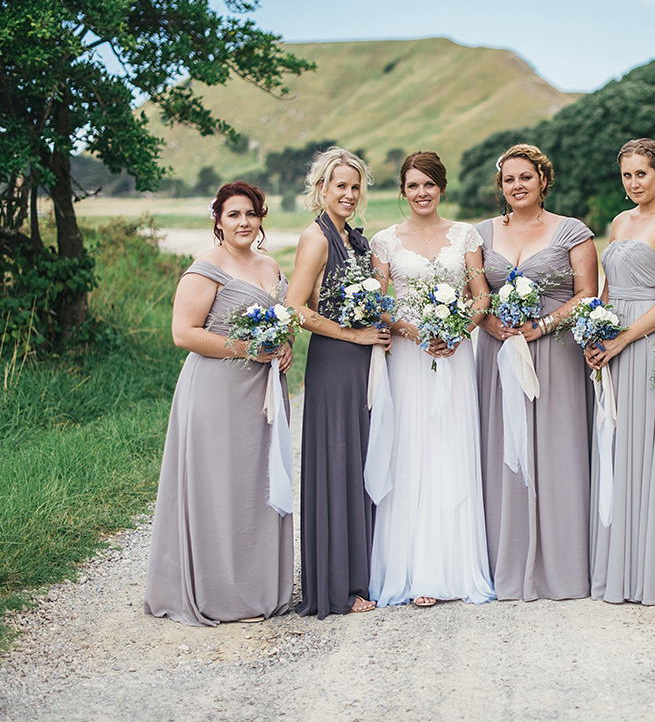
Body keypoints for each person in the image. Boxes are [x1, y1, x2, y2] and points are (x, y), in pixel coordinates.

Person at [144, 180, 295, 626]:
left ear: (260, 218)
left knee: (257, 483)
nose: (244, 222)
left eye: (250, 213)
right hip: (217, 390)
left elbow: (282, 320)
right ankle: (216, 591)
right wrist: (249, 350)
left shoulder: (269, 265)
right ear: (218, 220)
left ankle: (257, 587)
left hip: (264, 391)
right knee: (219, 486)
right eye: (234, 215)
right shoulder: (206, 267)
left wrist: (285, 344)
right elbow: (184, 334)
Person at [367, 151, 495, 607]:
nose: (421, 193)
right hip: (406, 356)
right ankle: (412, 571)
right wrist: (412, 331)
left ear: (442, 188)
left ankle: (452, 570)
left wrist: (457, 332)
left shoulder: (465, 235)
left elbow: (481, 297)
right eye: (412, 185)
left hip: (454, 357)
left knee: (449, 448)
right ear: (402, 191)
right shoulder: (384, 241)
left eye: (429, 184)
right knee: (409, 451)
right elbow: (379, 304)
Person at [475, 143, 599, 600]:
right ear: (501, 185)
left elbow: (588, 293)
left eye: (526, 177)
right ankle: (504, 560)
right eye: (509, 179)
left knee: (558, 448)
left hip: (555, 354)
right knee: (504, 449)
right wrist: (492, 326)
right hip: (499, 353)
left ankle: (564, 566)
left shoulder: (572, 232)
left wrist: (541, 326)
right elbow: (472, 294)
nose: (517, 186)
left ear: (543, 180)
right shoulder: (481, 234)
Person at [285, 147, 391, 619]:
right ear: (321, 189)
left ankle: (361, 574)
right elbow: (297, 308)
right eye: (339, 186)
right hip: (334, 363)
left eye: (355, 186)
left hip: (364, 360)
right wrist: (354, 334)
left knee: (363, 462)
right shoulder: (317, 238)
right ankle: (335, 587)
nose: (348, 194)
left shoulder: (355, 239)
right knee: (338, 464)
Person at [585, 138, 655, 605]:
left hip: (648, 342)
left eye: (641, 174)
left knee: (647, 449)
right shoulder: (620, 221)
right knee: (617, 445)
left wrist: (624, 338)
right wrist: (596, 332)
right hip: (611, 342)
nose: (633, 183)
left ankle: (651, 569)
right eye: (626, 175)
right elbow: (609, 288)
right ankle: (618, 566)